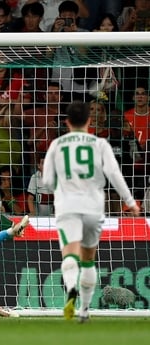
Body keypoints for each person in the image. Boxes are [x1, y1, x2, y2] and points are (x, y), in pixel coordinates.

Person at [42, 101, 141, 322]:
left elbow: (47, 182)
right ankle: (85, 310)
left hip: (67, 206)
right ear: (88, 121)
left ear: (66, 121)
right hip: (93, 206)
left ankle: (70, 289)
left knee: (69, 255)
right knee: (88, 260)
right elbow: (114, 175)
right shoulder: (100, 144)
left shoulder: (57, 145)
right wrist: (130, 201)